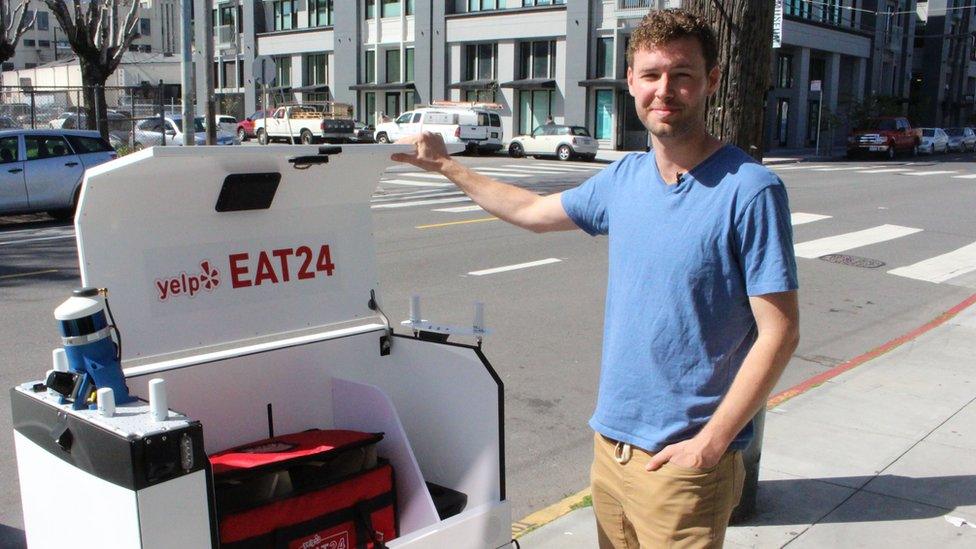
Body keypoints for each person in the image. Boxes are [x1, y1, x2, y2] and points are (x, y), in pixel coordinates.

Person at [392, 9, 799, 548]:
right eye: (651, 75)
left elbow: (780, 332)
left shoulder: (750, 190)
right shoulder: (626, 178)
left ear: (711, 80)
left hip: (684, 464)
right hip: (612, 450)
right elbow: (534, 212)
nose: (665, 90)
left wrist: (710, 445)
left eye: (682, 74)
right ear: (631, 81)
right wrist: (450, 168)